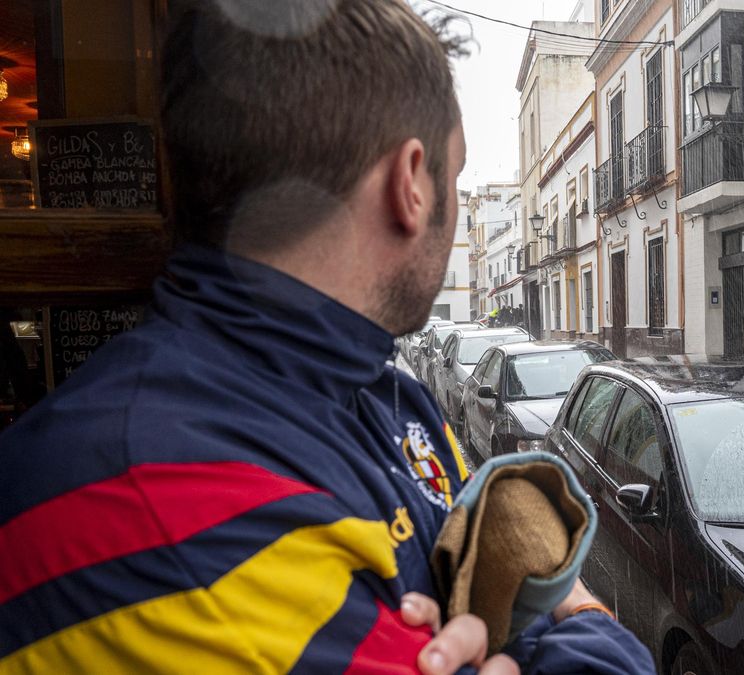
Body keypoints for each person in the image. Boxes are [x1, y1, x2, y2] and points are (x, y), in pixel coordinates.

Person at [0, 2, 652, 674]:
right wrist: (574, 607)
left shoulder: (382, 394)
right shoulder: (170, 505)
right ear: (411, 184)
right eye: (453, 178)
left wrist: (522, 617)